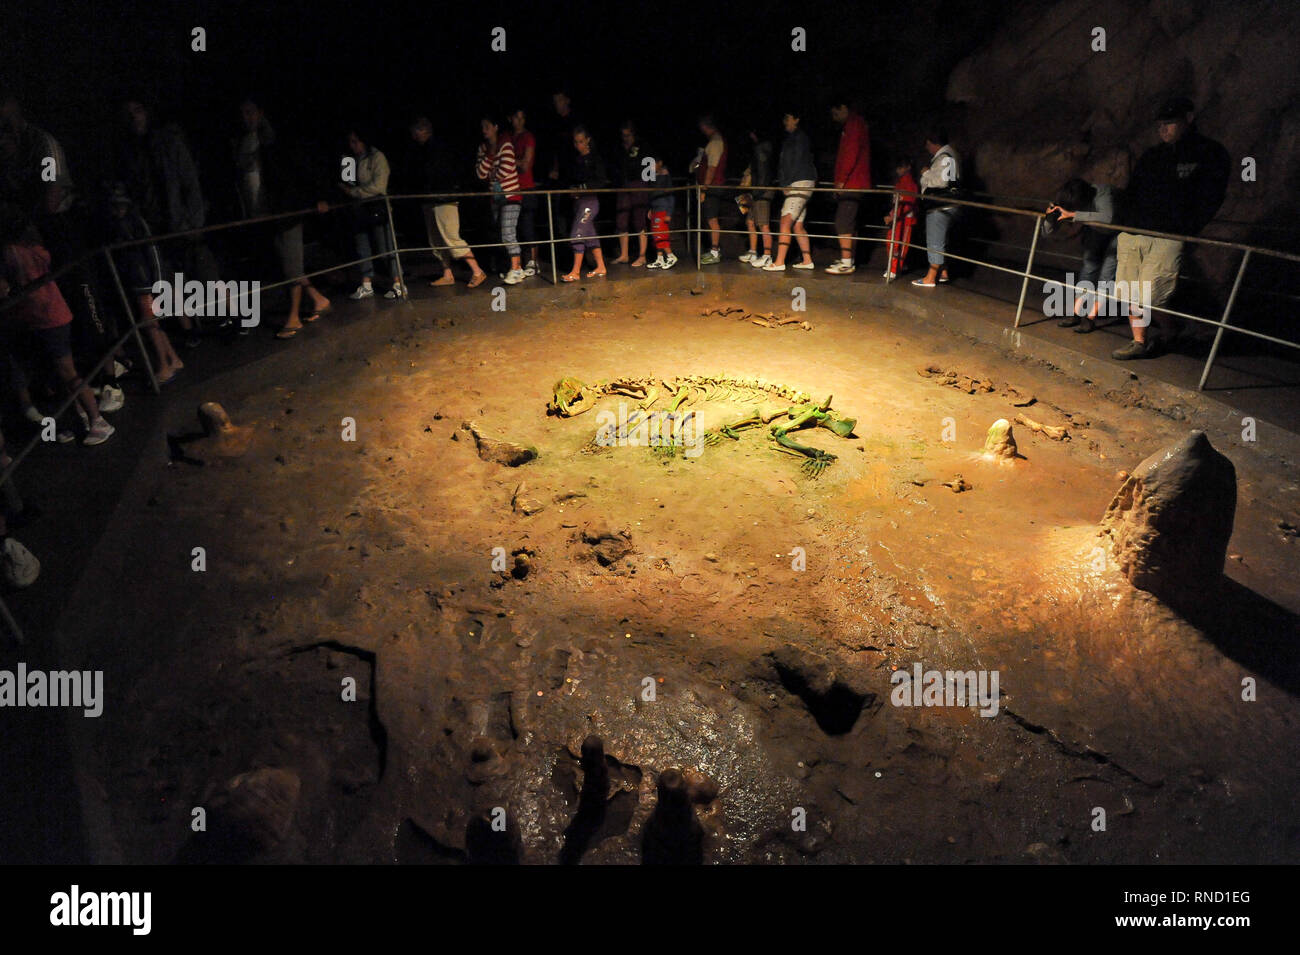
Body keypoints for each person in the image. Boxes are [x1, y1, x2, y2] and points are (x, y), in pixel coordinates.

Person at [1111, 97, 1230, 360]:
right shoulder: (1153, 155)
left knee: (1153, 291)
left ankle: (1175, 329)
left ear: (1188, 119)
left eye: (1169, 123)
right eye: (1160, 125)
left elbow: (1211, 196)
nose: (1163, 129)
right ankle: (1140, 341)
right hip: (1137, 231)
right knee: (1130, 289)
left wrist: (1186, 228)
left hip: (1168, 234)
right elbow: (1133, 190)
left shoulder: (1209, 153)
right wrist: (1126, 223)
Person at [1, 205, 115, 445]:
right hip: (45, 316)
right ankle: (81, 418)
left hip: (46, 317)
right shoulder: (35, 249)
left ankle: (98, 420)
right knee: (59, 373)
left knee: (67, 372)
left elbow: (5, 288)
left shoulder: (13, 253)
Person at [117, 98, 222, 347]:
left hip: (181, 221)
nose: (135, 117)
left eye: (138, 109)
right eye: (129, 113)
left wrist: (193, 221)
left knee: (203, 267)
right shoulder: (130, 150)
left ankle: (227, 316)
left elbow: (189, 181)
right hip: (155, 225)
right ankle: (190, 328)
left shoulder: (168, 140)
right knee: (170, 278)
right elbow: (136, 189)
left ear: (148, 112)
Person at [234, 97, 331, 338]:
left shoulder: (274, 141)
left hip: (285, 210)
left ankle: (294, 317)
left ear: (260, 112)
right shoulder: (245, 143)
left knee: (291, 264)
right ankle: (317, 299)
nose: (247, 117)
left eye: (250, 112)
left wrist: (318, 196)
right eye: (243, 113)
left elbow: (300, 170)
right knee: (289, 263)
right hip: (266, 213)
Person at [105, 183, 186, 384]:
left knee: (149, 323)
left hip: (143, 279)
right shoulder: (125, 222)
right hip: (140, 278)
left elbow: (152, 249)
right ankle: (172, 359)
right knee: (152, 321)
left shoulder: (133, 222)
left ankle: (164, 365)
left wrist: (157, 280)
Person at [406, 117, 487, 289]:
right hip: (430, 200)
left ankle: (477, 271)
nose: (414, 136)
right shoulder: (422, 150)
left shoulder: (439, 148)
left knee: (451, 237)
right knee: (436, 240)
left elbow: (443, 173)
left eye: (416, 132)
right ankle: (447, 273)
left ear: (424, 130)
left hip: (444, 198)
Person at [1042, 177, 1118, 333]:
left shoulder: (1103, 193)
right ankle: (1076, 313)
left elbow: (1108, 218)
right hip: (1096, 231)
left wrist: (1074, 214)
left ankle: (1090, 318)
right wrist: (1050, 218)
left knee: (1106, 276)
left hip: (1118, 232)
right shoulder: (1065, 200)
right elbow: (1046, 233)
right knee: (1088, 269)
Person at [337, 128, 401, 300]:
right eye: (350, 142)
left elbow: (378, 187)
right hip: (358, 209)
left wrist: (355, 192)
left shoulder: (377, 157)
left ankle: (398, 282)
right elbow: (346, 185)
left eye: (355, 141)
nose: (352, 146)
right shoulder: (348, 159)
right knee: (362, 247)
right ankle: (366, 284)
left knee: (385, 247)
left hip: (377, 208)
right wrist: (348, 189)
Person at [762, 111, 816, 272]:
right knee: (797, 225)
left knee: (785, 221)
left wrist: (786, 183)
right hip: (803, 181)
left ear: (797, 119)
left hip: (798, 182)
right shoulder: (795, 139)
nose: (785, 121)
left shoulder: (798, 138)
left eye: (788, 118)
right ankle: (807, 260)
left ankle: (779, 262)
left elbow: (795, 162)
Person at [476, 116, 525, 285]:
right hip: (496, 198)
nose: (484, 130)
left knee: (508, 232)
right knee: (500, 234)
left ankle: (517, 269)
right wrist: (490, 156)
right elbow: (481, 174)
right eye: (482, 127)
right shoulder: (483, 148)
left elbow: (505, 169)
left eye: (487, 126)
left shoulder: (505, 144)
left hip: (511, 195)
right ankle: (511, 267)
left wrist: (491, 172)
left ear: (496, 127)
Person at [826, 99, 872, 275]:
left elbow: (850, 153)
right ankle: (848, 259)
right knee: (849, 223)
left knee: (843, 222)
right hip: (855, 182)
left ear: (844, 107)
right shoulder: (857, 124)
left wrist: (841, 180)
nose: (835, 117)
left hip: (852, 183)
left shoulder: (853, 124)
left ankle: (846, 262)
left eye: (836, 113)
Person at [913, 129, 962, 287]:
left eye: (928, 144)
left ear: (933, 143)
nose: (927, 148)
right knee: (942, 240)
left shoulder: (944, 157)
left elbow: (941, 183)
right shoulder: (952, 155)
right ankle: (943, 272)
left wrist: (926, 173)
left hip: (940, 206)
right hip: (951, 205)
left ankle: (930, 277)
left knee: (934, 240)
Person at [561, 126, 608, 282]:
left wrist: (581, 188)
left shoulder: (595, 159)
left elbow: (600, 181)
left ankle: (575, 271)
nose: (578, 145)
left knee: (576, 234)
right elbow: (571, 180)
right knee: (590, 235)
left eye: (581, 141)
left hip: (590, 202)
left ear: (588, 140)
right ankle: (601, 266)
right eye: (576, 142)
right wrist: (572, 190)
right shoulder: (575, 160)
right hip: (578, 203)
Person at [507, 108, 542, 276]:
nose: (519, 121)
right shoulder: (508, 138)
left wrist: (509, 159)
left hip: (527, 188)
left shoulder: (528, 137)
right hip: (512, 188)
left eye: (522, 118)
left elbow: (525, 165)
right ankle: (517, 264)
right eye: (516, 117)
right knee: (514, 228)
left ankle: (534, 262)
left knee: (528, 227)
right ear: (510, 119)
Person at [612, 121, 650, 267]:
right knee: (621, 219)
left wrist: (648, 185)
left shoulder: (643, 146)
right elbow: (616, 166)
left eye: (628, 135)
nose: (625, 138)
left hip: (639, 184)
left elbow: (649, 164)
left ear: (633, 134)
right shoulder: (620, 148)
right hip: (623, 185)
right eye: (623, 135)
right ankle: (624, 255)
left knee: (639, 219)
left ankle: (642, 256)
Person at [691, 116, 727, 265]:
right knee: (709, 218)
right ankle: (714, 251)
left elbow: (712, 167)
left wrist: (704, 187)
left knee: (712, 219)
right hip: (712, 186)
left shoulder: (716, 142)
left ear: (706, 127)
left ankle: (715, 252)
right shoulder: (713, 142)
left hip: (713, 186)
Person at [740, 129, 774, 268]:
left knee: (763, 224)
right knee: (750, 221)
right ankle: (753, 251)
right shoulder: (758, 148)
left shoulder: (761, 149)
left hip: (761, 191)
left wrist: (759, 190)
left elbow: (763, 172)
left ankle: (767, 256)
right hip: (755, 190)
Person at [883, 157, 919, 279]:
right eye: (898, 167)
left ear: (908, 167)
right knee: (892, 242)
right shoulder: (900, 183)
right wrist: (891, 215)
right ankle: (895, 266)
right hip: (897, 218)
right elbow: (897, 203)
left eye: (901, 167)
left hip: (905, 219)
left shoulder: (909, 183)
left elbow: (908, 203)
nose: (898, 170)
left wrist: (894, 216)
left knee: (899, 245)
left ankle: (894, 269)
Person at [645, 155, 678, 270]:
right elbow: (651, 194)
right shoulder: (653, 177)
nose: (651, 166)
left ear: (660, 163)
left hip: (663, 210)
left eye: (653, 163)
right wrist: (651, 208)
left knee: (661, 234)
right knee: (655, 235)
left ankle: (670, 256)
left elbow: (671, 195)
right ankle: (659, 259)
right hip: (655, 209)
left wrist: (669, 213)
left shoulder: (665, 176)